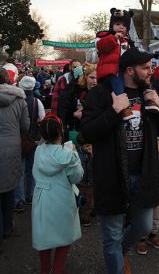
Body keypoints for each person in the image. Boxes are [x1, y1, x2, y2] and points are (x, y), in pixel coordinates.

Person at [80, 47, 159, 274]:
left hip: (143, 173)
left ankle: (118, 252)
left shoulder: (148, 91)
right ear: (129, 70)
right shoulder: (101, 93)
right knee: (111, 234)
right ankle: (116, 263)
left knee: (143, 226)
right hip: (112, 174)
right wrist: (113, 111)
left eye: (151, 67)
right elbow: (87, 132)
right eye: (145, 68)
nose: (151, 72)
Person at [32, 113, 83, 274]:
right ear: (60, 132)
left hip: (42, 199)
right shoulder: (67, 154)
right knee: (63, 237)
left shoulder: (38, 151)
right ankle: (58, 270)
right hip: (62, 200)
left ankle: (45, 269)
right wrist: (74, 154)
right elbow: (77, 176)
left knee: (45, 238)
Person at [0, 68, 30, 250]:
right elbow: (25, 126)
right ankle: (8, 226)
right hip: (12, 148)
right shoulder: (20, 100)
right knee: (9, 189)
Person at [96, 8, 135, 120]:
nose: (121, 27)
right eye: (117, 24)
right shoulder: (105, 36)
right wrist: (113, 38)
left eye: (124, 25)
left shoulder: (127, 41)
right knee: (117, 81)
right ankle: (124, 107)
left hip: (122, 70)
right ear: (112, 25)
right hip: (110, 70)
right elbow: (100, 47)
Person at [14, 76, 45, 212]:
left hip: (18, 138)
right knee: (31, 169)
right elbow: (42, 119)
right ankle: (30, 195)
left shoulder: (17, 101)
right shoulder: (37, 101)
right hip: (33, 139)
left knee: (20, 170)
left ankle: (19, 199)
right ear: (33, 87)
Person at [77, 143, 94, 227]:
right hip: (81, 182)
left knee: (89, 198)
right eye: (87, 146)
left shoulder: (92, 153)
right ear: (81, 146)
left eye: (90, 145)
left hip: (91, 181)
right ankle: (83, 216)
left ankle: (86, 215)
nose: (89, 148)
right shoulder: (77, 153)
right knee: (81, 199)